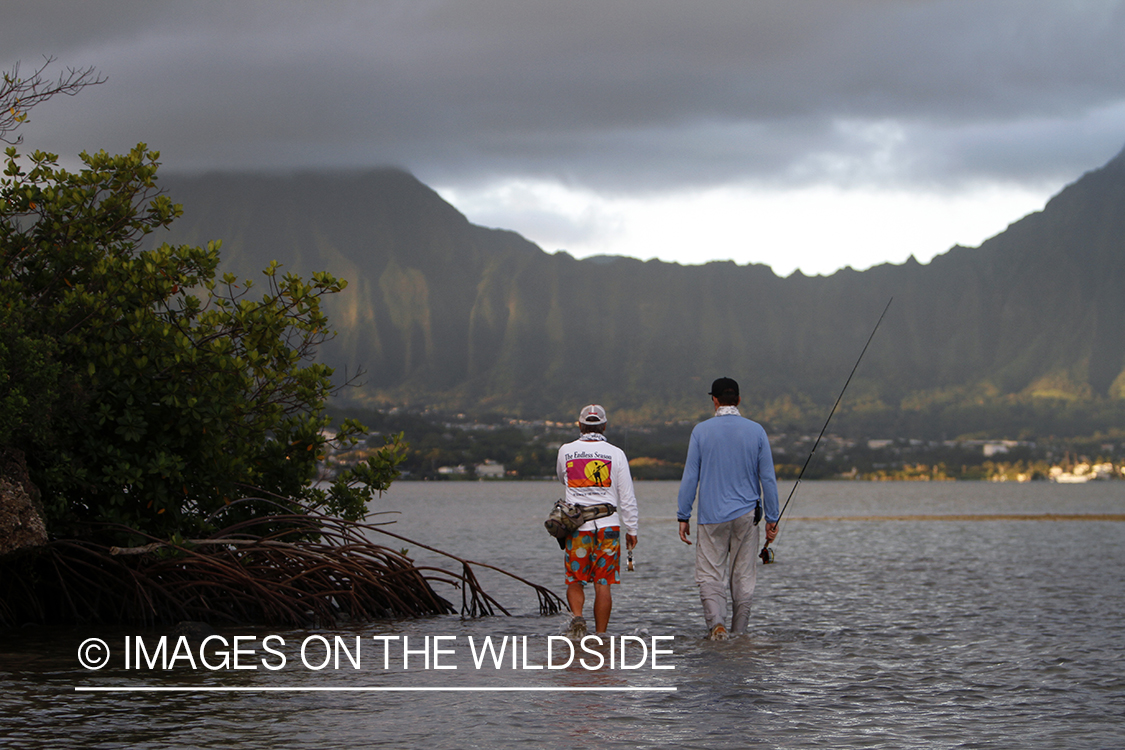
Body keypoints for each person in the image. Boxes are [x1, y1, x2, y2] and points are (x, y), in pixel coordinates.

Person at [677, 377, 779, 640]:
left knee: (710, 574)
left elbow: (691, 476)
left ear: (714, 400)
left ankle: (716, 626)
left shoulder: (701, 431)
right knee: (743, 576)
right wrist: (773, 517)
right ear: (739, 400)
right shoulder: (757, 431)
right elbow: (768, 478)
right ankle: (740, 634)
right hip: (748, 516)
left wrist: (683, 514)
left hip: (711, 517)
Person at [556, 404, 639, 637]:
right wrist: (632, 529)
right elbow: (627, 496)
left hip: (577, 527)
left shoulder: (566, 450)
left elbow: (563, 477)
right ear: (604, 426)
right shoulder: (616, 453)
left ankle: (578, 617)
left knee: (575, 578)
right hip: (608, 527)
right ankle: (600, 637)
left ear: (580, 425)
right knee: (603, 583)